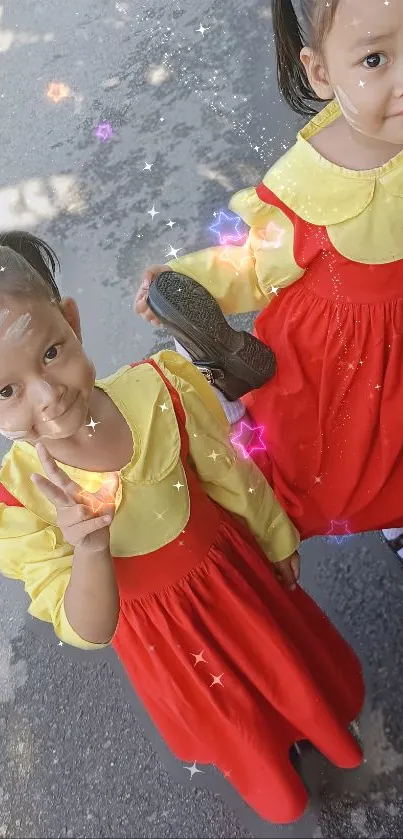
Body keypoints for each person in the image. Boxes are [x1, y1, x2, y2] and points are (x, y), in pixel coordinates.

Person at [0, 232, 364, 824]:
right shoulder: (18, 502)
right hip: (169, 641)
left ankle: (311, 721)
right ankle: (276, 764)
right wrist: (89, 549)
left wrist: (275, 536)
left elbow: (230, 474)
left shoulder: (161, 388)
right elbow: (86, 628)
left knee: (285, 664)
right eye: (5, 391)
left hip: (237, 581)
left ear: (71, 321)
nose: (48, 395)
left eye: (50, 352)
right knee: (236, 715)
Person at [135, 0, 403, 560]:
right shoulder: (313, 190)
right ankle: (392, 515)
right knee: (365, 450)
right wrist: (187, 281)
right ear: (321, 73)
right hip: (354, 361)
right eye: (376, 59)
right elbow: (256, 263)